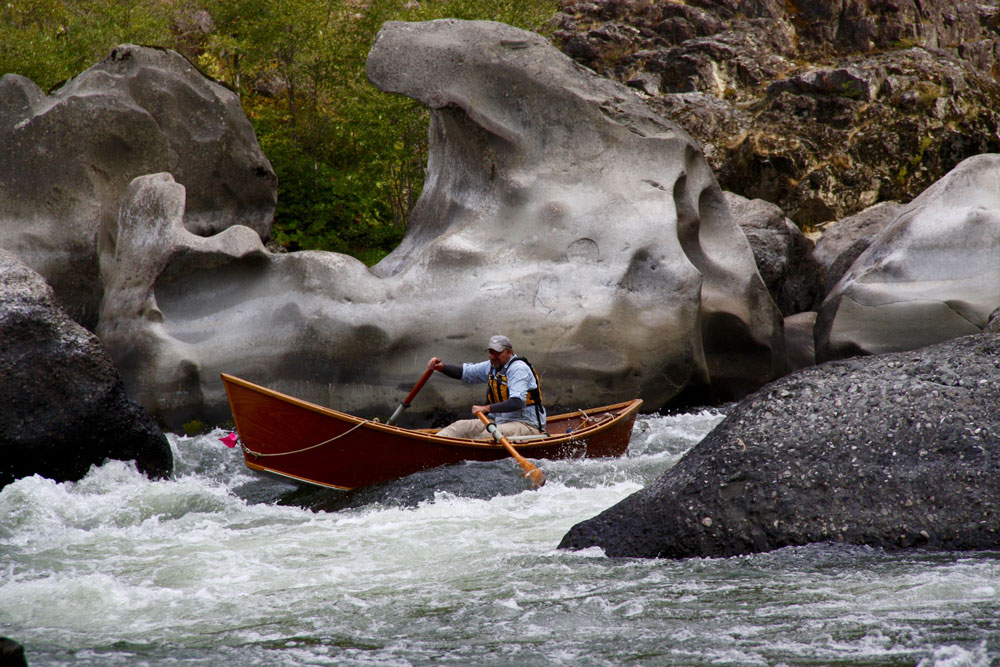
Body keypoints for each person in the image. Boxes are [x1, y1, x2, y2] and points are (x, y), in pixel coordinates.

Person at [427, 335, 547, 440]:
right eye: (491, 352)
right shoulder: (492, 366)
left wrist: (486, 408)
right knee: (459, 426)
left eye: (498, 353)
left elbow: (517, 402)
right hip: (497, 422)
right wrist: (441, 367)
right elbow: (464, 373)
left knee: (485, 436)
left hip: (526, 425)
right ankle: (431, 446)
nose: (493, 357)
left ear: (510, 352)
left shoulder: (518, 369)